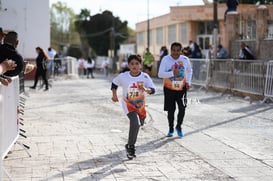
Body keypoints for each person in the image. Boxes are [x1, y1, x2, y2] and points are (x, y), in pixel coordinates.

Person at [111, 54, 156, 159]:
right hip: (128, 104)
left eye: (137, 64)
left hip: (140, 106)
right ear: (128, 65)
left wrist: (146, 89)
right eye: (132, 64)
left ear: (140, 65)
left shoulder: (145, 77)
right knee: (134, 123)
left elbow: (153, 89)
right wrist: (114, 95)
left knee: (139, 124)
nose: (134, 66)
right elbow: (114, 83)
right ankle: (131, 146)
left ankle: (130, 144)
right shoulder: (124, 76)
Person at [158, 42, 192, 137]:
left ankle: (179, 126)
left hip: (182, 88)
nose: (175, 53)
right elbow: (160, 74)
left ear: (181, 51)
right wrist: (172, 73)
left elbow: (189, 71)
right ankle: (171, 128)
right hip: (169, 88)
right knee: (171, 110)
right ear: (171, 50)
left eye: (178, 51)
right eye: (174, 50)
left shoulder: (185, 59)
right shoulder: (166, 59)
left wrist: (188, 82)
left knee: (182, 108)